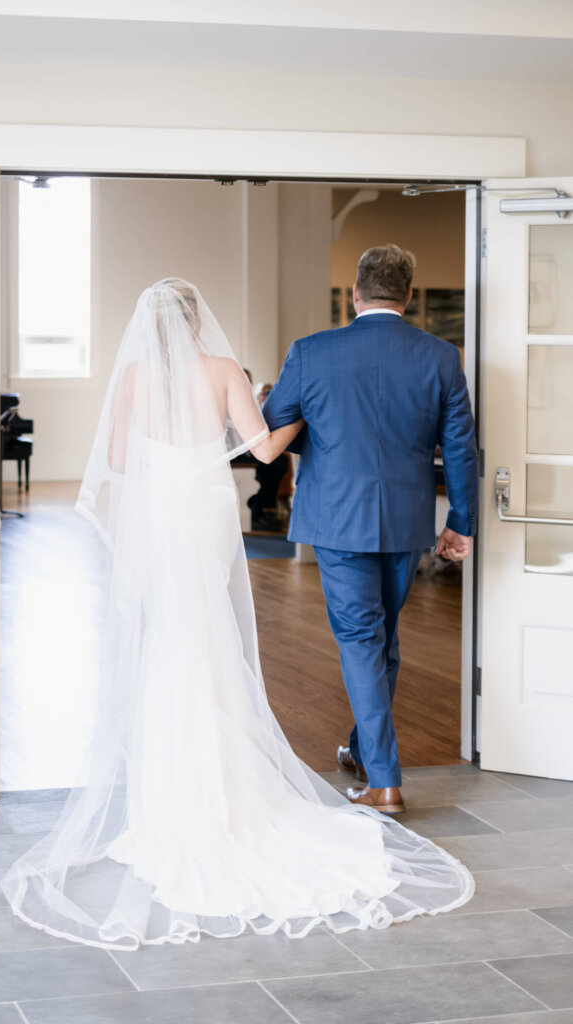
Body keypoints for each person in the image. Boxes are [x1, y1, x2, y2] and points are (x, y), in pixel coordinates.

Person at [0, 276, 473, 951]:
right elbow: (264, 451)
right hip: (202, 505)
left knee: (167, 632)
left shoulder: (131, 375)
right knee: (211, 628)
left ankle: (169, 786)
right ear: (196, 322)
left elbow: (113, 459)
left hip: (159, 509)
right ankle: (235, 778)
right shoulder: (221, 369)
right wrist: (291, 412)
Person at [263, 245, 479, 814]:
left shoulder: (311, 353)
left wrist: (321, 436)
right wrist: (460, 521)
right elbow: (459, 449)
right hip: (408, 521)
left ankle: (384, 781)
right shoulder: (441, 357)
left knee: (362, 639)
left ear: (355, 294)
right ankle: (363, 750)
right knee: (382, 640)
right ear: (407, 297)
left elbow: (271, 434)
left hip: (336, 517)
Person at [248, 381, 290, 531]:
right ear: (259, 396)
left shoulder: (273, 410)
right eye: (266, 393)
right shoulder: (251, 407)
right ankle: (258, 507)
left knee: (280, 461)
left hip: (261, 451)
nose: (270, 396)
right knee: (273, 463)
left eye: (272, 393)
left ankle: (264, 506)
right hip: (247, 451)